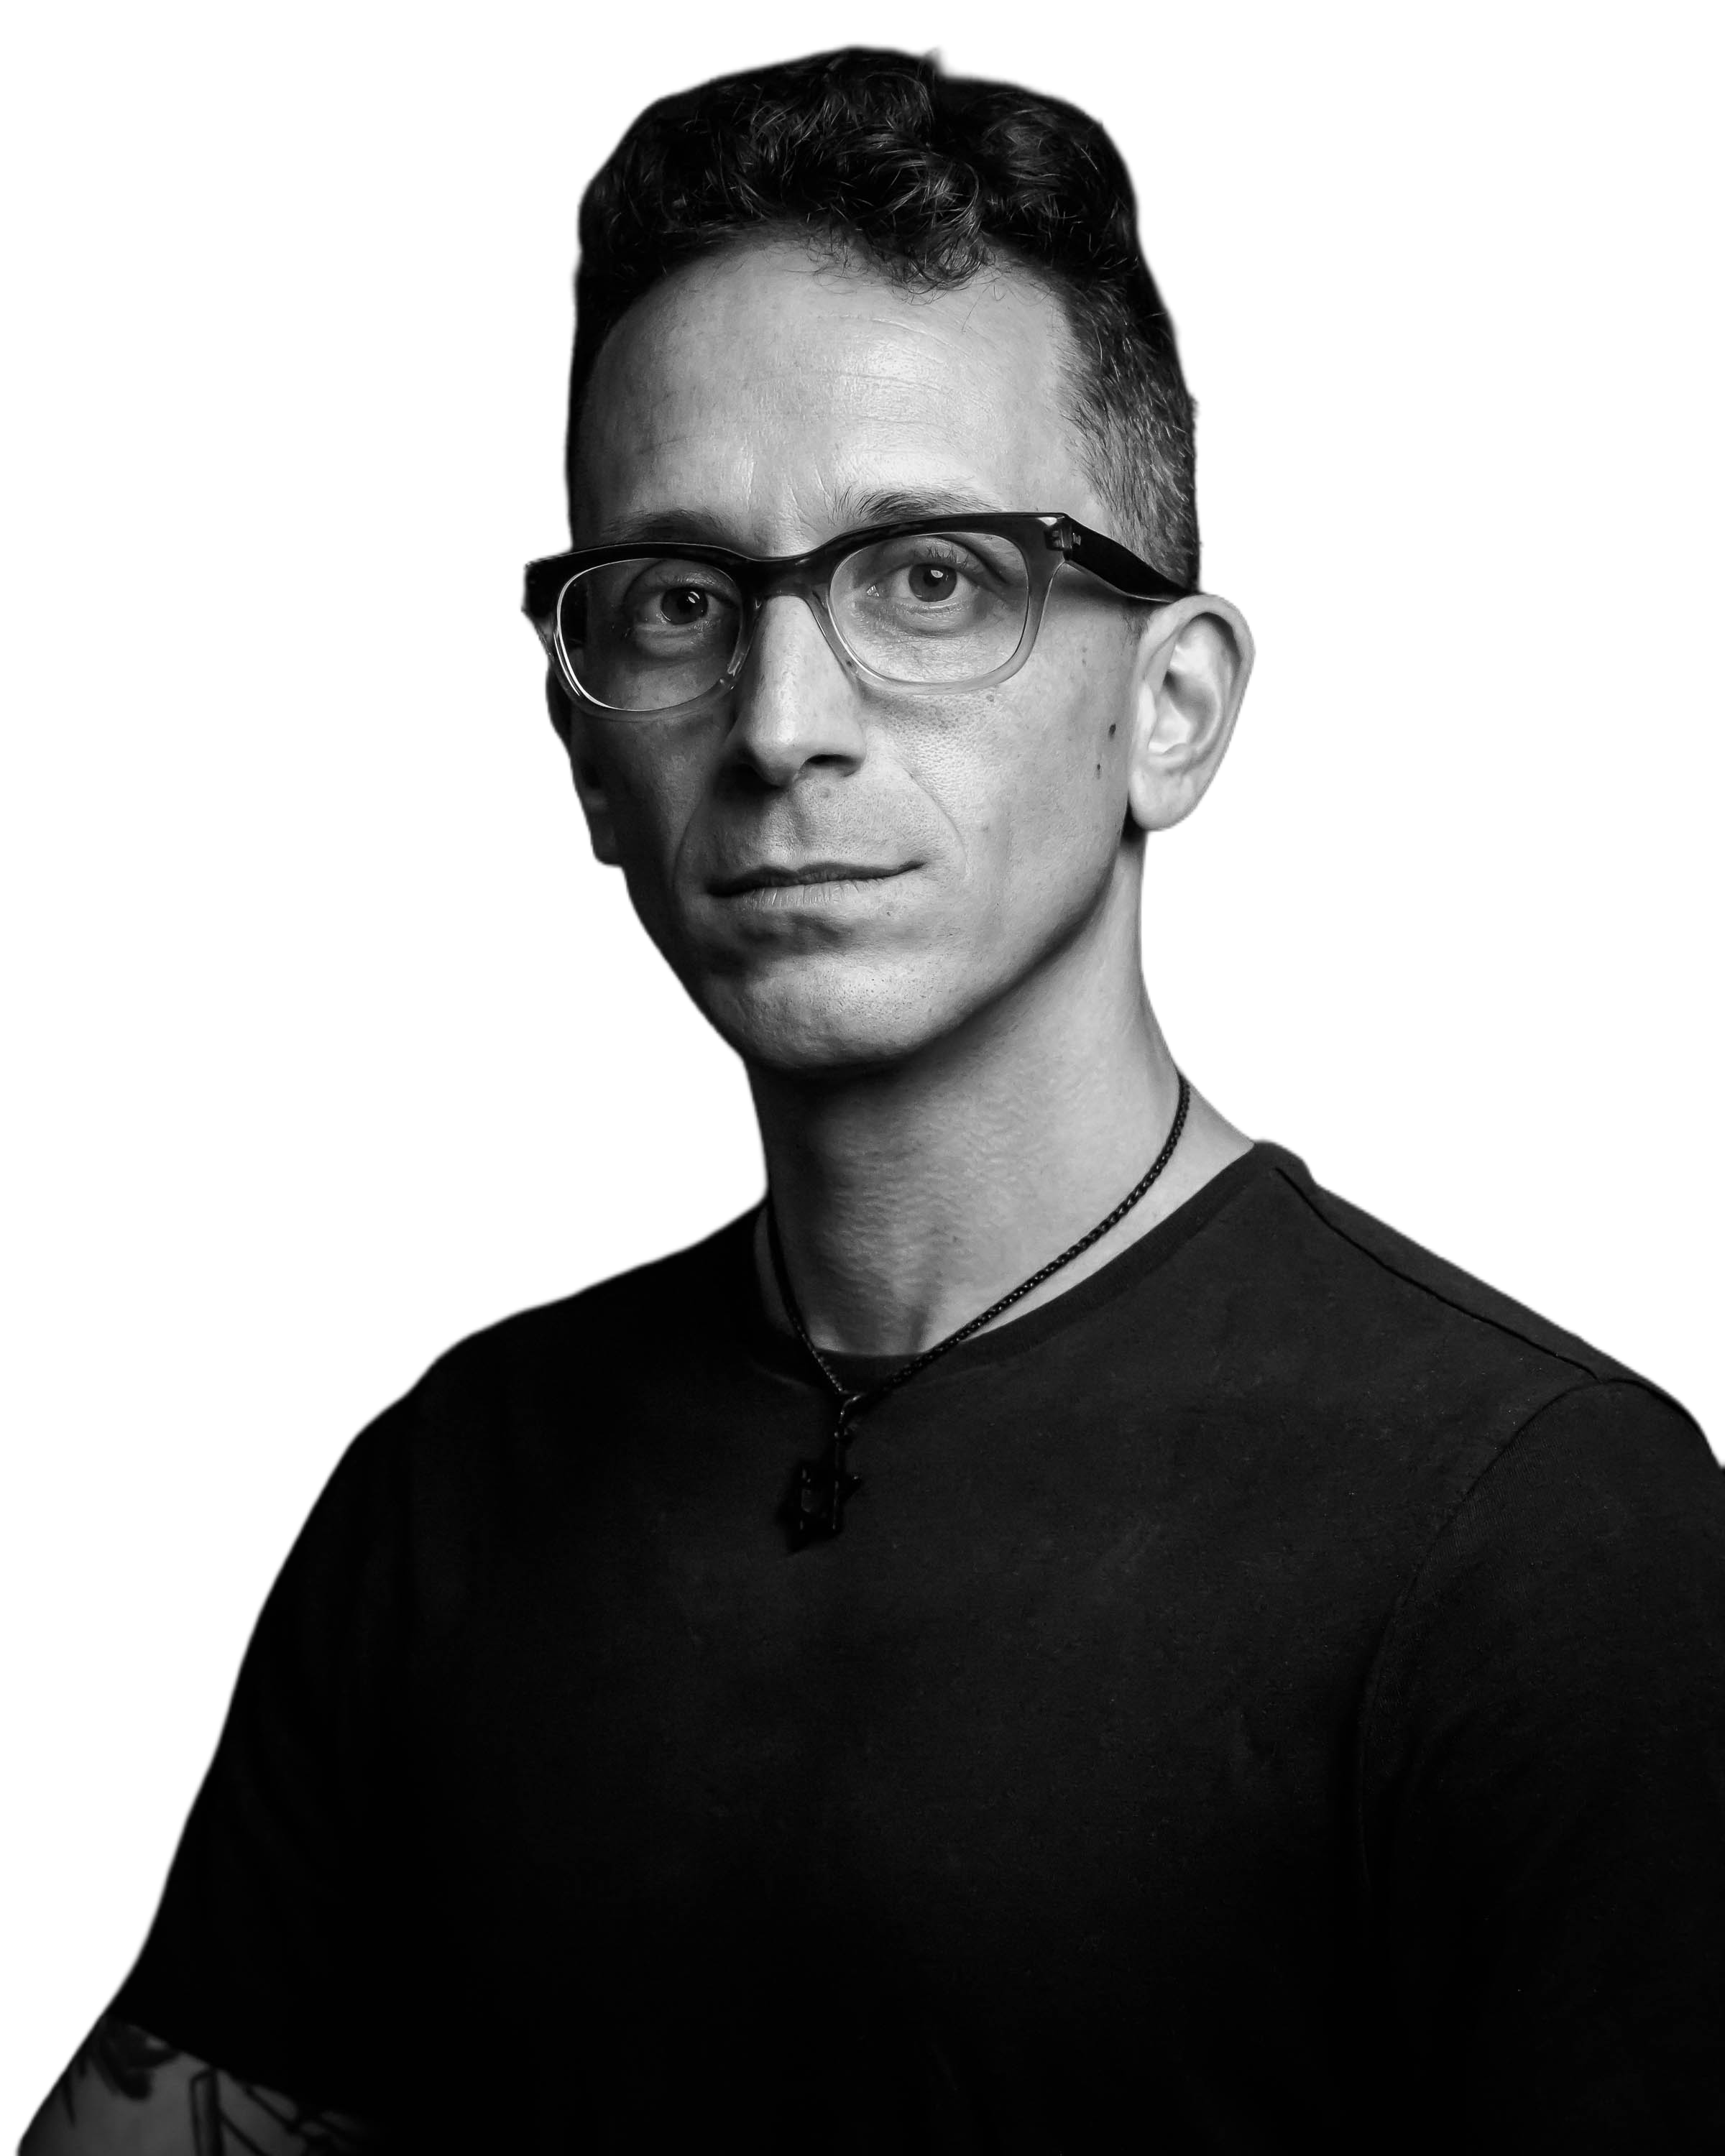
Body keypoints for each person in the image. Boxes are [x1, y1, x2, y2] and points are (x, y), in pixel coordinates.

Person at [19, 42, 1724, 2156]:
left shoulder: (1547, 1535)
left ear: (1171, 712)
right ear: (585, 765)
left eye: (930, 580)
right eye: (680, 600)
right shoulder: (452, 1484)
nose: (781, 724)